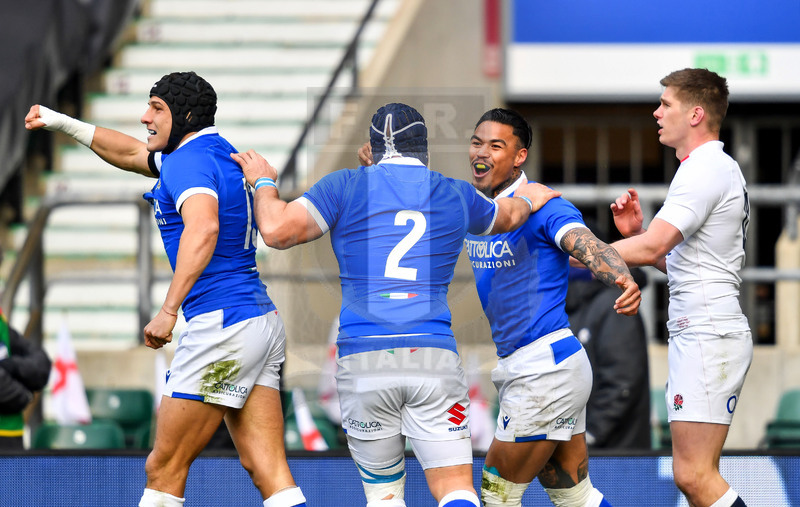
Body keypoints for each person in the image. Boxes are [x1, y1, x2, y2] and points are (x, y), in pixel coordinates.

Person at [232, 102, 561, 507]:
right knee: (456, 488)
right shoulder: (454, 192)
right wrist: (529, 198)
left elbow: (276, 230)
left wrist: (263, 182)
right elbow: (508, 216)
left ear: (370, 147)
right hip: (432, 356)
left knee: (384, 497)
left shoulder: (345, 185)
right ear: (424, 148)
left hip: (365, 359)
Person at [24, 71, 306, 507]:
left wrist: (169, 309)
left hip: (221, 327)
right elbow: (132, 153)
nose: (144, 117)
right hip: (258, 323)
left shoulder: (188, 161)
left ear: (186, 115)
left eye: (157, 109)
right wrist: (64, 122)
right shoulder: (212, 152)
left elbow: (204, 226)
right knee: (267, 469)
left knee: (164, 467)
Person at [358, 107, 641, 507]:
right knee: (575, 496)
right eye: (477, 143)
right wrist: (381, 164)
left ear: (519, 156)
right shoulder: (471, 203)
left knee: (495, 496)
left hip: (543, 371)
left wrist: (621, 277)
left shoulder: (541, 203)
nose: (483, 152)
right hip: (542, 367)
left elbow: (583, 241)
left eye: (496, 145)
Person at [608, 68, 751, 507]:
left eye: (665, 104)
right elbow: (676, 259)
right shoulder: (708, 167)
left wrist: (570, 249)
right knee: (696, 478)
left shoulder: (705, 168)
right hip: (704, 333)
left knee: (692, 475)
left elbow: (656, 245)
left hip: (709, 335)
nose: (656, 112)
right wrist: (642, 238)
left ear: (695, 114)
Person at [565, 265, 651, 450]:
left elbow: (622, 382)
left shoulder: (614, 304)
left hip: (618, 456)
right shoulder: (569, 308)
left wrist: (591, 435)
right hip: (579, 448)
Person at [0, 308, 51, 450]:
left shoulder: (1, 322)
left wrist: (13, 366)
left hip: (11, 435)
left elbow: (41, 365)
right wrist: (25, 396)